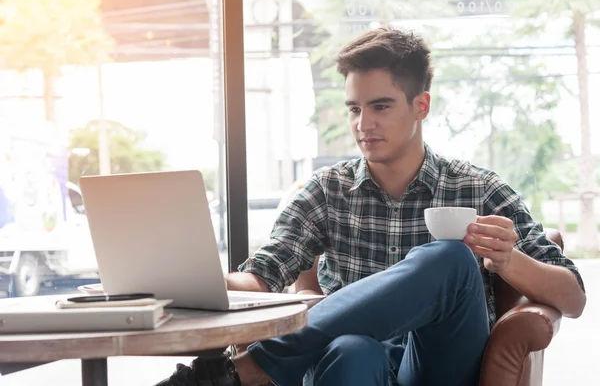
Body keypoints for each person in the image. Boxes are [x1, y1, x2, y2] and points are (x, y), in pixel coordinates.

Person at [156, 27, 586, 386]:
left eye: (381, 106)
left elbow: (573, 296)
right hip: (349, 359)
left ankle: (248, 370)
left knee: (452, 258)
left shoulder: (479, 187)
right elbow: (264, 274)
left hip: (439, 365)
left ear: (422, 105)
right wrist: (196, 282)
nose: (365, 124)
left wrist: (509, 261)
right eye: (354, 109)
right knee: (351, 349)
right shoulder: (326, 191)